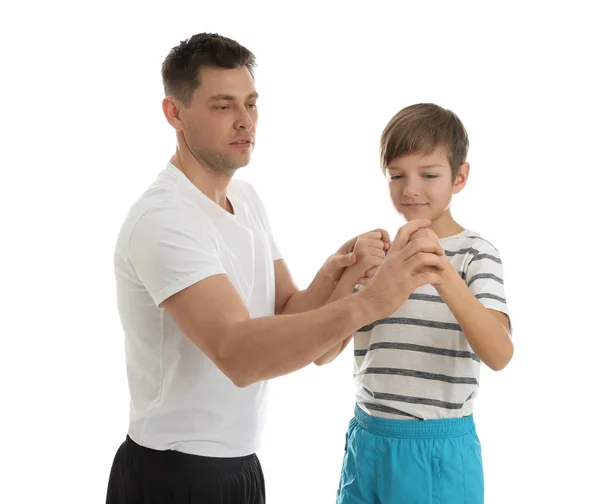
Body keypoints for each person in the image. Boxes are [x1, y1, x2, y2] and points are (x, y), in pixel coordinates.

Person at [105, 34, 446, 504]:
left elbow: (287, 314)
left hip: (242, 467)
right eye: (224, 106)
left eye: (251, 103)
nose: (246, 122)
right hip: (173, 473)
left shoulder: (245, 200)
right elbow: (238, 356)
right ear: (175, 114)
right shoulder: (164, 220)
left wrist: (336, 274)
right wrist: (370, 302)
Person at [333, 103, 514, 503]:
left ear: (459, 177)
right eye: (397, 175)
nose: (410, 188)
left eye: (429, 174)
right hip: (367, 440)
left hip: (437, 447)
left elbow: (500, 353)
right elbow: (323, 352)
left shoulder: (475, 254)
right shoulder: (377, 253)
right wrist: (349, 275)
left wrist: (443, 272)